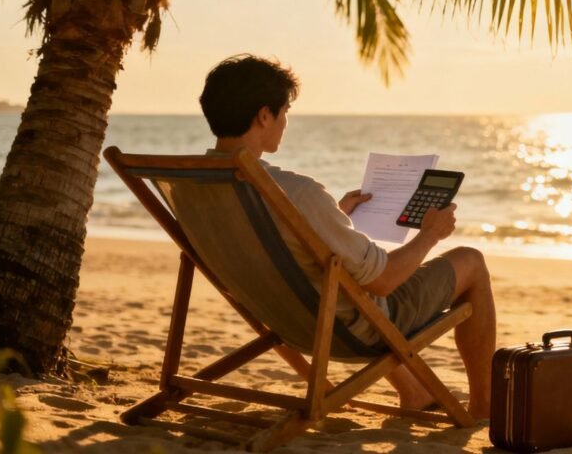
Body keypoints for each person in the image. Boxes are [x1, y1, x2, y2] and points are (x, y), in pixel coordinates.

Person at [198, 54, 496, 419]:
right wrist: (429, 235)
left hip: (278, 318)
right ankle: (484, 407)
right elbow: (384, 282)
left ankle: (416, 391)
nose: (286, 120)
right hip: (339, 329)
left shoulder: (194, 185)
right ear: (264, 115)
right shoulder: (298, 192)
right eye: (285, 110)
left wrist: (332, 217)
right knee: (471, 261)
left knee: (343, 276)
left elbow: (268, 248)